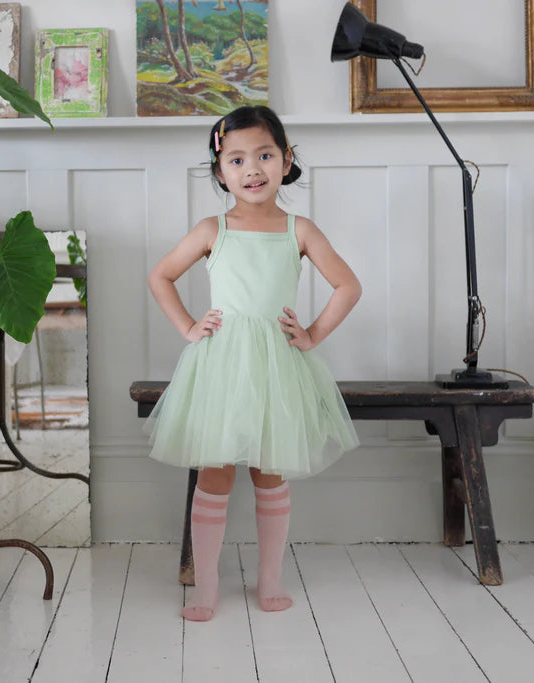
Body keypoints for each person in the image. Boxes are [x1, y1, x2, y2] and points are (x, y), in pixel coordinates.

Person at [145, 105, 362, 622]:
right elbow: (160, 276)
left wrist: (311, 334)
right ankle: (206, 584)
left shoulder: (298, 230)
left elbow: (348, 286)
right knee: (215, 474)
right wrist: (189, 327)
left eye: (264, 155)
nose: (252, 170)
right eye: (237, 160)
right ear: (220, 171)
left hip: (277, 369)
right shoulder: (212, 229)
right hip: (221, 367)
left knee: (270, 472)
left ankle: (270, 578)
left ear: (286, 160)